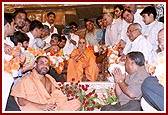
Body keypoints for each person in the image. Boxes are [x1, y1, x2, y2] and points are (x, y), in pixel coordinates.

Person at [10, 56, 81, 111]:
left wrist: (56, 104)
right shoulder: (25, 80)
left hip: (50, 107)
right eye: (42, 63)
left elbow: (57, 94)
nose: (45, 66)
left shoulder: (50, 79)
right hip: (36, 108)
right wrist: (41, 106)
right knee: (29, 109)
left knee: (76, 103)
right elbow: (21, 101)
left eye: (47, 64)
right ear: (35, 65)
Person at [141, 28, 165, 111]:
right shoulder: (161, 56)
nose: (160, 44)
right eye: (159, 41)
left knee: (148, 82)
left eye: (163, 39)